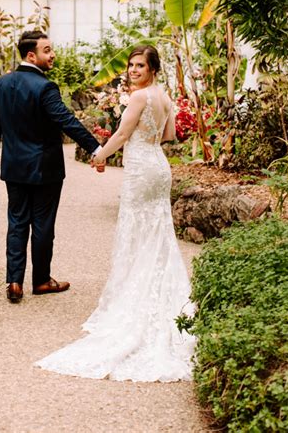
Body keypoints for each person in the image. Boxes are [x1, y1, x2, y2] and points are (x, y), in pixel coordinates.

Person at [35, 44, 195, 382]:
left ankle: (134, 299)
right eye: (131, 66)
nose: (133, 70)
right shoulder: (164, 97)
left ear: (152, 68)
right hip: (158, 167)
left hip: (140, 170)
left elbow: (122, 134)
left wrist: (99, 155)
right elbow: (168, 135)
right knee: (158, 232)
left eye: (140, 66)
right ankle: (162, 294)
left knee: (138, 230)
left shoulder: (138, 98)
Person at [0, 30, 102, 303]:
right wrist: (96, 149)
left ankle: (14, 282)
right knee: (42, 225)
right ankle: (40, 281)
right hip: (44, 169)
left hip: (14, 167)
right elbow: (66, 121)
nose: (52, 55)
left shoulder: (0, 84)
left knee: (16, 222)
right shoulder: (44, 87)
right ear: (31, 55)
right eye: (47, 50)